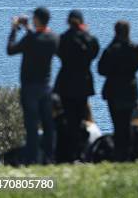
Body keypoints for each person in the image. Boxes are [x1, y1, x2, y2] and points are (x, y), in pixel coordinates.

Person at [6, 7, 59, 164]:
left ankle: (32, 160)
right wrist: (29, 29)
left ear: (36, 19)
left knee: (31, 126)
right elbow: (38, 38)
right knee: (48, 126)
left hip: (29, 88)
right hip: (45, 87)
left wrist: (14, 29)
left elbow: (11, 49)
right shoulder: (54, 38)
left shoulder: (30, 40)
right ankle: (50, 158)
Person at [98, 20, 138, 161]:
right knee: (127, 124)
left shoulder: (111, 49)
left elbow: (101, 70)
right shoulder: (135, 49)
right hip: (130, 89)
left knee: (117, 124)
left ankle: (119, 154)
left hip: (114, 90)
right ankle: (129, 154)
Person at [54, 9, 100, 162]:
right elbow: (94, 53)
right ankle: (80, 152)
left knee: (68, 118)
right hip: (83, 82)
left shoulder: (63, 38)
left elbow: (58, 53)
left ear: (68, 21)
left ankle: (68, 152)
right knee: (81, 118)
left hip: (66, 82)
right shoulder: (89, 38)